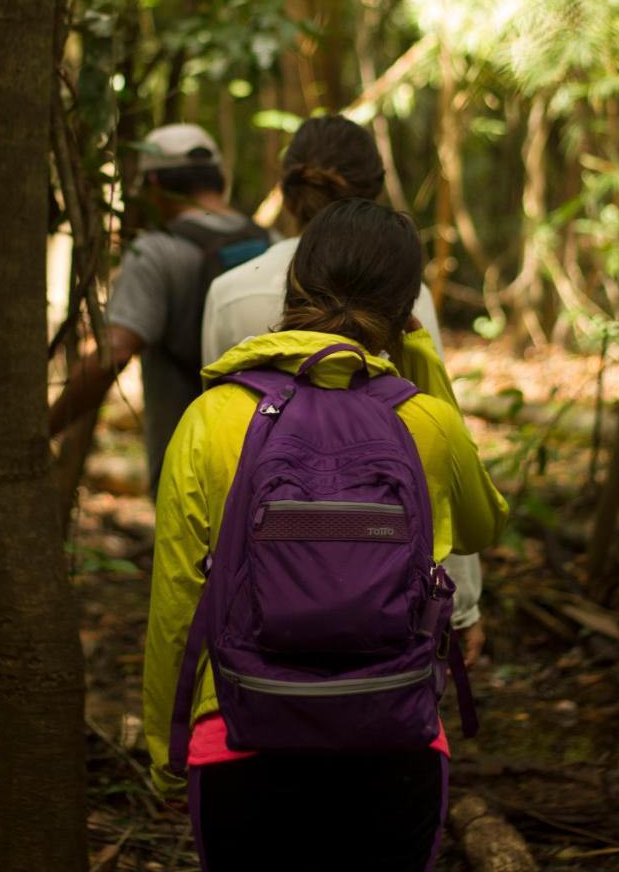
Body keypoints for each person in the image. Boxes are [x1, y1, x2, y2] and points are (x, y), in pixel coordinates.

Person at [144, 199, 508, 872]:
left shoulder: (210, 417)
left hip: (239, 733)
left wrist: (165, 747)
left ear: (292, 289)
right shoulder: (425, 422)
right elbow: (484, 523)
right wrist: (421, 370)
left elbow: (175, 601)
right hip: (392, 732)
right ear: (404, 315)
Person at [202, 115, 484, 662]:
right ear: (373, 198)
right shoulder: (403, 294)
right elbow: (435, 440)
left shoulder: (228, 294)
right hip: (383, 587)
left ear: (286, 194)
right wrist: (464, 599)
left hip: (256, 590)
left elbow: (217, 453)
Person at [49, 123, 269, 496]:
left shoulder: (154, 253)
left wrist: (47, 425)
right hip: (268, 461)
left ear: (153, 185)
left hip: (189, 471)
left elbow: (112, 352)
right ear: (219, 178)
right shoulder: (270, 242)